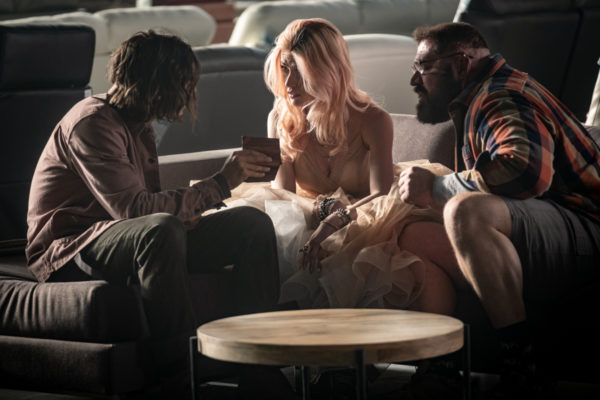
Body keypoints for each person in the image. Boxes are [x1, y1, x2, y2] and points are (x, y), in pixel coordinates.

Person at [25, 30, 289, 399]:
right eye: (184, 82)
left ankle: (259, 364)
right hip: (72, 248)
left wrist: (193, 211)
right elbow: (133, 211)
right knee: (160, 230)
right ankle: (177, 374)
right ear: (157, 82)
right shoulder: (93, 123)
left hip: (126, 234)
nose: (189, 93)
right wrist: (219, 183)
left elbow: (145, 207)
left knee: (251, 224)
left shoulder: (139, 122)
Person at [397, 22, 600, 397]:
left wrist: (437, 187)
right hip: (547, 228)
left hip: (587, 229)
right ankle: (442, 367)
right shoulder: (479, 96)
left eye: (423, 67)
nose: (414, 80)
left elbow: (526, 172)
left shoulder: (500, 95)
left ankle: (523, 368)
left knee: (464, 211)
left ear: (460, 65)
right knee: (415, 236)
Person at [227, 17, 452, 313]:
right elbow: (284, 199)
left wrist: (337, 219)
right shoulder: (279, 119)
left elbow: (382, 194)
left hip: (372, 217)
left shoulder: (373, 120)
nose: (289, 83)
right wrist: (323, 213)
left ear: (327, 69)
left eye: (300, 71)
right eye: (285, 69)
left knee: (410, 259)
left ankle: (444, 351)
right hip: (308, 218)